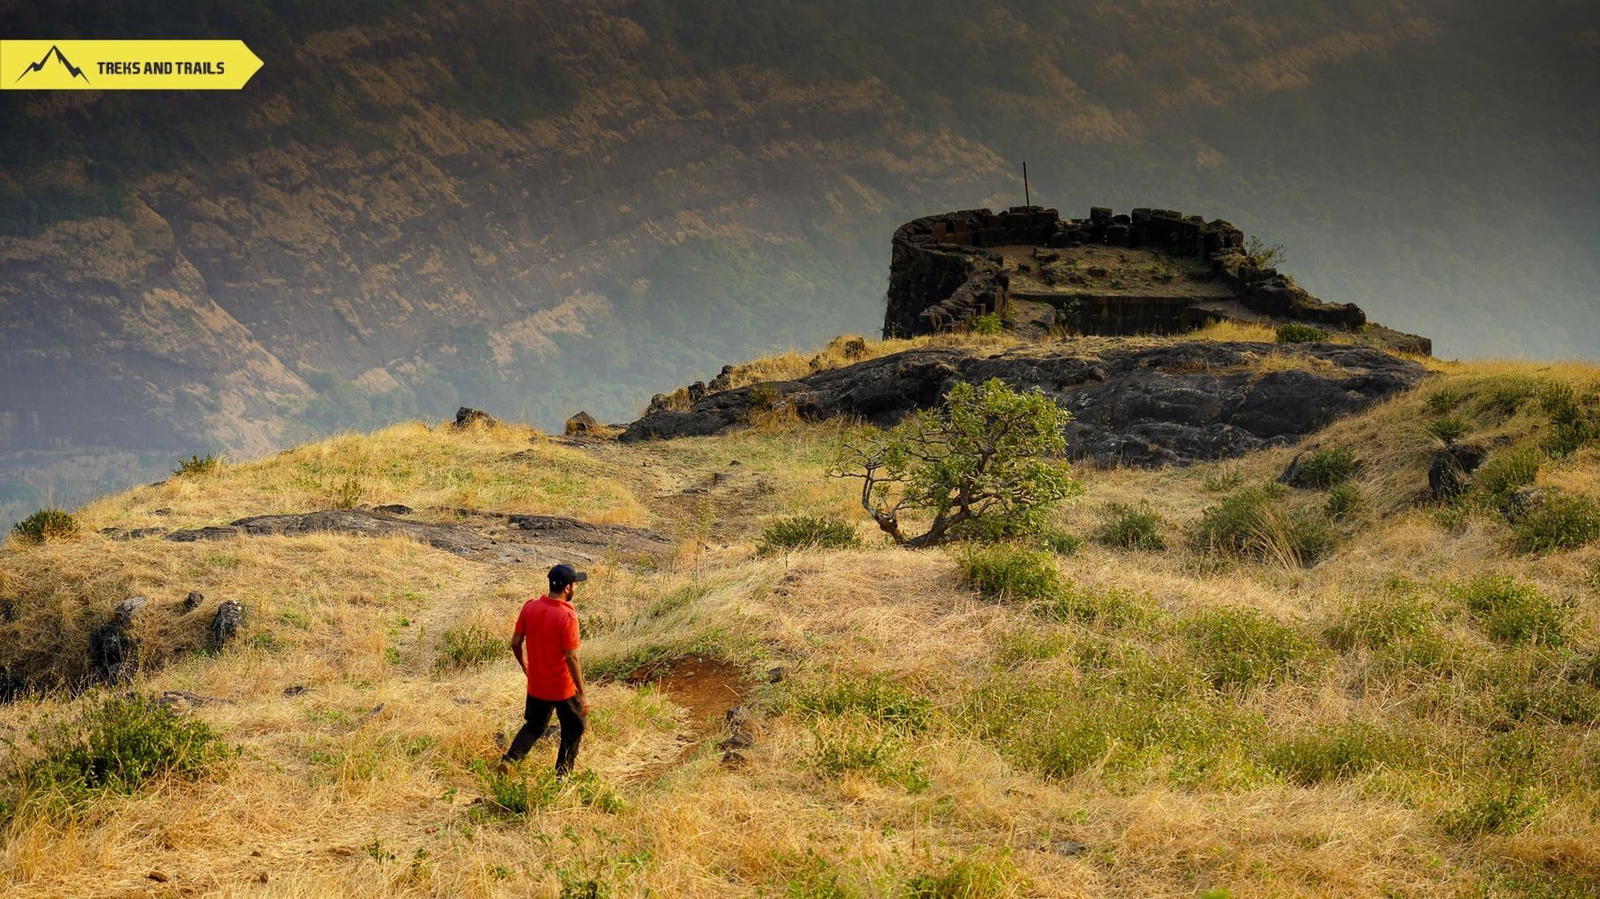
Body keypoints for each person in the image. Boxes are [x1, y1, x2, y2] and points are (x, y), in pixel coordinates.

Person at [502, 563, 589, 775]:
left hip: (537, 684)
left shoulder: (530, 607)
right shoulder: (567, 616)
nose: (575, 589)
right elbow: (572, 657)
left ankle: (510, 761)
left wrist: (525, 666)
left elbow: (515, 642)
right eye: (575, 585)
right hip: (562, 688)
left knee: (534, 725)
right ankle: (562, 776)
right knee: (573, 729)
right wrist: (582, 694)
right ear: (567, 588)